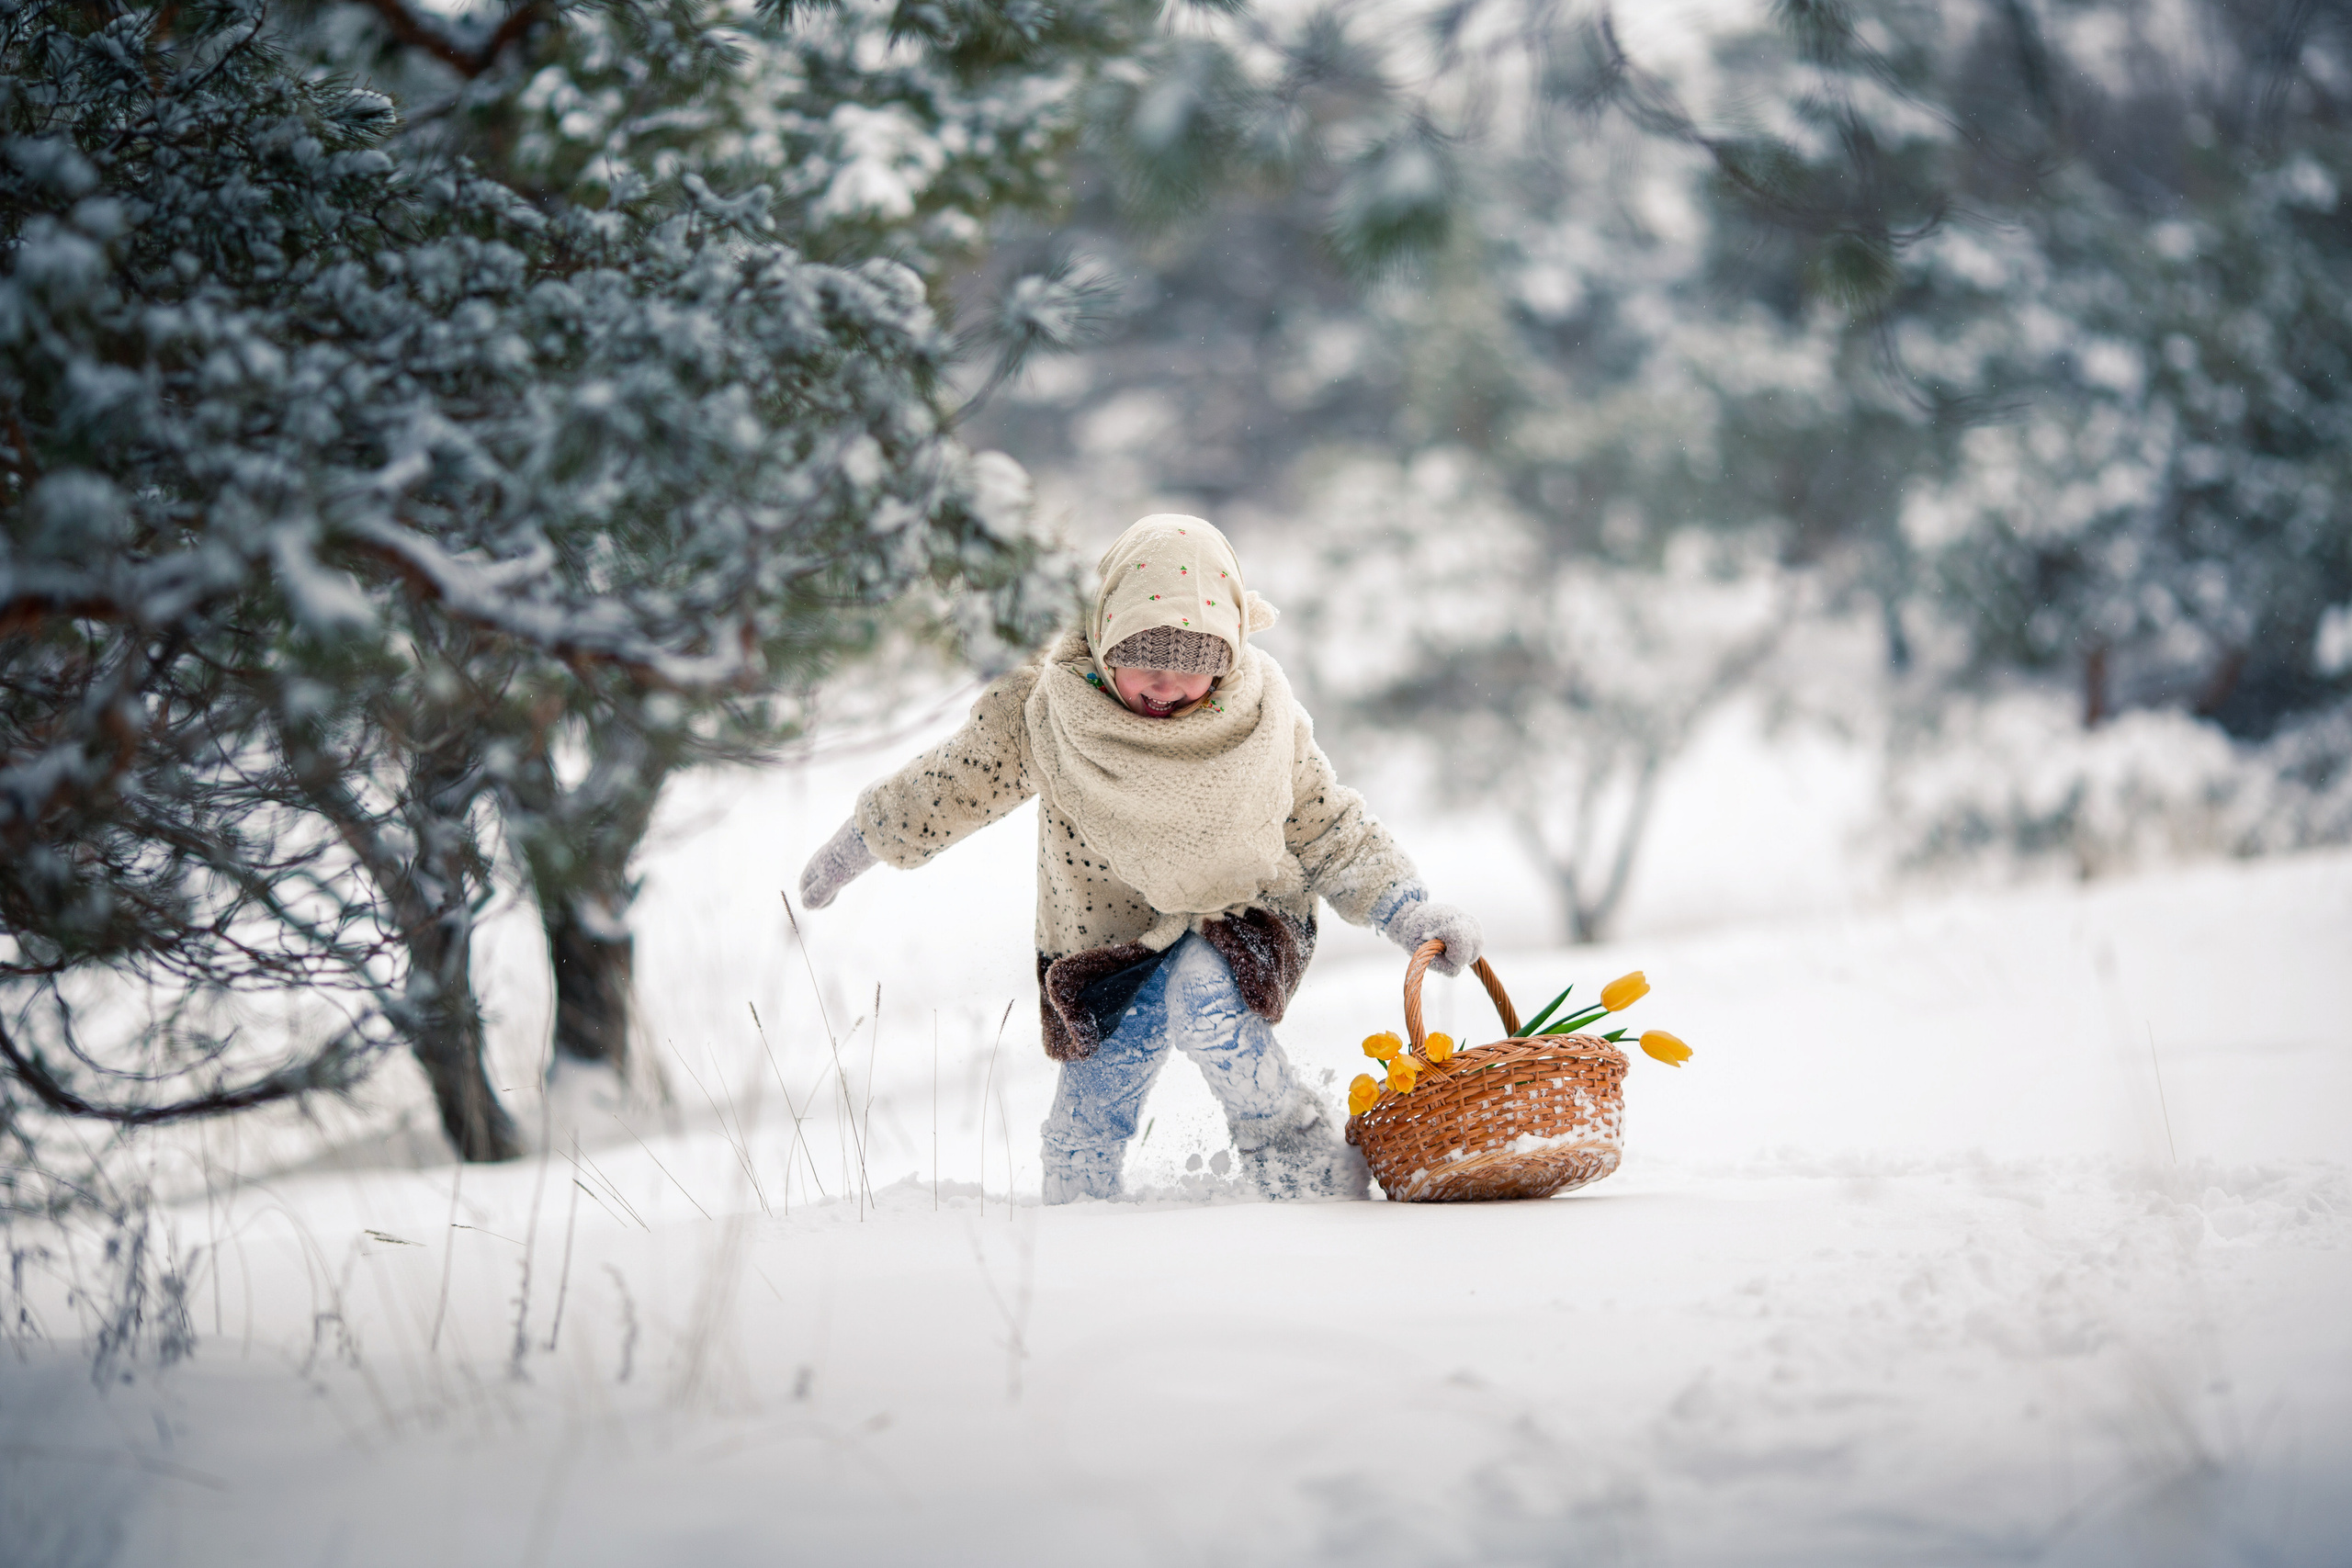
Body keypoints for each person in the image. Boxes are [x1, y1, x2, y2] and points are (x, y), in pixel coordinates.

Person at [797, 514, 1482, 1201]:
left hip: (1246, 919)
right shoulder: (1047, 709)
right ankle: (1084, 1228)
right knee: (1085, 1123)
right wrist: (856, 845)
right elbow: (948, 783)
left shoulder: (1262, 718)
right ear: (1103, 639)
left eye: (1195, 670)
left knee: (1203, 997)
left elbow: (1331, 826)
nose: (1167, 687)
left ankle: (1305, 1169)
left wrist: (1407, 909)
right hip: (1110, 942)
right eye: (1145, 661)